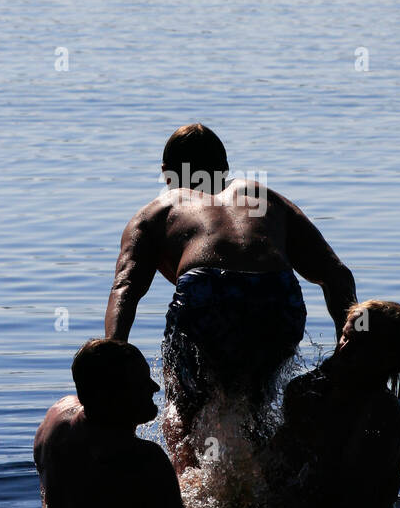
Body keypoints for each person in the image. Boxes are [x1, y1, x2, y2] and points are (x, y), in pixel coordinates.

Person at [104, 123, 356, 462]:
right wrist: (349, 351)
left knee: (184, 407)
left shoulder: (159, 210)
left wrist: (113, 356)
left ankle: (189, 496)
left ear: (167, 173)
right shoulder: (264, 197)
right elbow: (336, 274)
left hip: (207, 291)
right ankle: (265, 491)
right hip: (276, 295)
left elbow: (125, 286)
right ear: (224, 168)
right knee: (258, 405)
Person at [33, 339, 198, 508]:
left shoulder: (52, 424)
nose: (155, 388)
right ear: (110, 396)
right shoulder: (145, 459)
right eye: (141, 383)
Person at [266, 300, 400, 508]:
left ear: (387, 359)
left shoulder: (386, 414)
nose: (344, 349)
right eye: (345, 338)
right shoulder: (313, 390)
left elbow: (352, 503)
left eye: (361, 344)